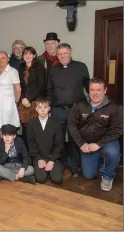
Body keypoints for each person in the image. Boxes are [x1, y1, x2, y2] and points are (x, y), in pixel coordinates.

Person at [67, 78, 123, 191]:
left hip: (106, 141)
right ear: (88, 90)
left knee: (112, 153)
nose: (95, 93)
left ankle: (108, 175)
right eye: (92, 90)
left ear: (105, 90)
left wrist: (98, 144)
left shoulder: (115, 107)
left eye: (98, 90)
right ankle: (103, 162)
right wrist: (81, 144)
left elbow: (118, 129)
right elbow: (71, 124)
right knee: (89, 175)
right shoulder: (79, 104)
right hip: (87, 144)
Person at [47, 43, 90, 177]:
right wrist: (48, 107)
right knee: (57, 139)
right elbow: (50, 90)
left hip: (75, 110)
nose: (63, 56)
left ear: (70, 52)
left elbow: (88, 86)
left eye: (65, 53)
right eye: (60, 54)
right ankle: (58, 164)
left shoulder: (81, 67)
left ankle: (74, 167)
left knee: (74, 139)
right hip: (57, 110)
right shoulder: (54, 70)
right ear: (57, 56)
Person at [27, 98, 64, 184]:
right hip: (39, 157)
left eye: (45, 107)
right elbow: (31, 144)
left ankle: (56, 168)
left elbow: (59, 145)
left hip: (53, 157)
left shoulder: (56, 124)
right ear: (36, 109)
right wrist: (38, 159)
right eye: (40, 107)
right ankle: (45, 172)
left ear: (49, 108)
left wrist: (52, 160)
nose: (42, 110)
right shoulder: (31, 124)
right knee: (41, 179)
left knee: (57, 179)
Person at [18, 46, 46, 146]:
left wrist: (29, 99)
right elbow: (18, 85)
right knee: (25, 128)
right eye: (25, 53)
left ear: (34, 55)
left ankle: (36, 153)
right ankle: (26, 152)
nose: (27, 56)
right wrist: (23, 98)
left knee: (36, 128)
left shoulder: (39, 67)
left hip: (36, 102)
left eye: (30, 53)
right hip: (23, 102)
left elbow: (41, 85)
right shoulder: (21, 67)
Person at [0, 51, 21, 138]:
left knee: (8, 131)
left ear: (8, 59)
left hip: (8, 105)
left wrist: (16, 101)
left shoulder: (13, 71)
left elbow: (18, 89)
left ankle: (10, 151)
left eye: (3, 58)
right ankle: (1, 150)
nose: (1, 60)